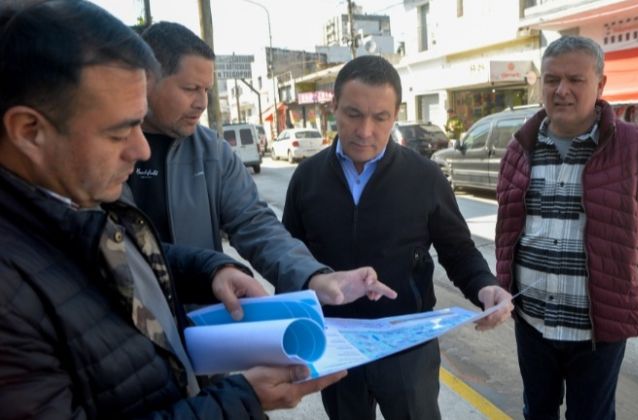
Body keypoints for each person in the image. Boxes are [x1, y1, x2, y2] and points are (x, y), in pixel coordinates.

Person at [0, 1, 346, 418]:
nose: (139, 151)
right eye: (118, 133)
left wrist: (214, 268)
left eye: (207, 90)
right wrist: (241, 401)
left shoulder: (83, 193)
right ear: (28, 131)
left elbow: (138, 252)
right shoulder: (14, 289)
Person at [282, 55, 514, 420]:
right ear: (334, 108)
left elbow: (458, 250)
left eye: (380, 117)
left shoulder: (425, 177)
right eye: (353, 114)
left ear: (395, 114)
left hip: (408, 345)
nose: (365, 131)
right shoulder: (307, 178)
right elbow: (288, 257)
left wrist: (484, 286)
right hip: (335, 344)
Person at [127, 21, 395, 313]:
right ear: (146, 79)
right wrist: (212, 269)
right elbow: (118, 241)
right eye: (191, 88)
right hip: (124, 325)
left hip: (200, 327)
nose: (202, 102)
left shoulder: (212, 152)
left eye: (207, 90)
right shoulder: (103, 147)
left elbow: (255, 225)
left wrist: (315, 277)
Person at [495, 35, 638, 420]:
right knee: (537, 412)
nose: (561, 90)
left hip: (598, 329)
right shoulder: (520, 148)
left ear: (600, 85)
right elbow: (508, 228)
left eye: (575, 80)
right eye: (551, 79)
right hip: (532, 321)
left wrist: (622, 270)